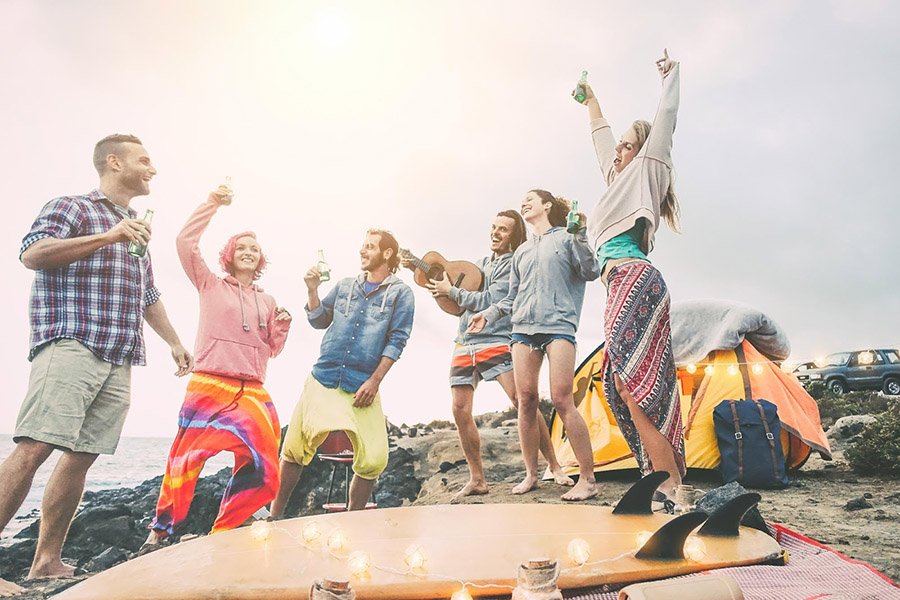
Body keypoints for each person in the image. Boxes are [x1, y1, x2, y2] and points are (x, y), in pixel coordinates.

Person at [0, 134, 192, 589]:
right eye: (144, 160)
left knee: (82, 456)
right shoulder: (73, 207)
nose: (153, 169)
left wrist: (174, 342)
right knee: (34, 446)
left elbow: (147, 294)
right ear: (114, 162)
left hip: (119, 353)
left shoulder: (136, 226)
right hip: (71, 343)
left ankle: (46, 561)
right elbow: (33, 254)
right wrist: (107, 235)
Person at [141, 184, 292, 552]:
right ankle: (160, 532)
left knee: (266, 465)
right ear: (229, 255)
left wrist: (282, 325)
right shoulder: (209, 283)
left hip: (251, 389)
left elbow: (272, 350)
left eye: (254, 249)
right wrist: (212, 203)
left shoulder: (268, 300)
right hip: (209, 383)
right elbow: (184, 243)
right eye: (241, 247)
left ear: (261, 260)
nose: (248, 252)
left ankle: (225, 529)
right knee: (185, 460)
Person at [577, 49, 685, 500]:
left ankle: (670, 486)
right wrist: (591, 100)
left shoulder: (647, 170)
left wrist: (669, 77)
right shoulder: (614, 182)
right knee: (622, 382)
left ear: (641, 151)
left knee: (631, 380)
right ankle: (664, 479)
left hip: (637, 279)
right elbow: (601, 139)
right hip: (618, 284)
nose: (619, 150)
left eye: (627, 144)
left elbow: (666, 120)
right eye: (620, 145)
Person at [415, 210, 575, 499]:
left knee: (522, 400)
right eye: (493, 227)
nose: (495, 233)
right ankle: (477, 479)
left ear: (514, 236)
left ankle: (554, 465)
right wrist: (439, 287)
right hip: (465, 340)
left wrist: (452, 291)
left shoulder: (513, 263)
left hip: (498, 339)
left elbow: (491, 301)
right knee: (459, 409)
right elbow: (460, 305)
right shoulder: (478, 265)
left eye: (503, 229)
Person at [468, 190, 601, 501]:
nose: (524, 203)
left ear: (547, 206)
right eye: (522, 200)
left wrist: (580, 234)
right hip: (523, 330)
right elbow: (512, 297)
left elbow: (591, 271)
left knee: (561, 399)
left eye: (531, 199)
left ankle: (588, 479)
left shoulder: (567, 238)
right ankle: (531, 475)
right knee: (526, 401)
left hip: (558, 326)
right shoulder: (523, 251)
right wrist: (488, 314)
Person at [271, 230, 415, 515]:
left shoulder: (401, 293)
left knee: (373, 457)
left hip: (361, 383)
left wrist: (374, 381)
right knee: (294, 449)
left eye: (370, 247)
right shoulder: (345, 285)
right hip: (323, 376)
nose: (363, 251)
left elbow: (397, 340)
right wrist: (312, 290)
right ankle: (275, 514)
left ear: (387, 254)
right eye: (362, 246)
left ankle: (354, 518)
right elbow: (319, 319)